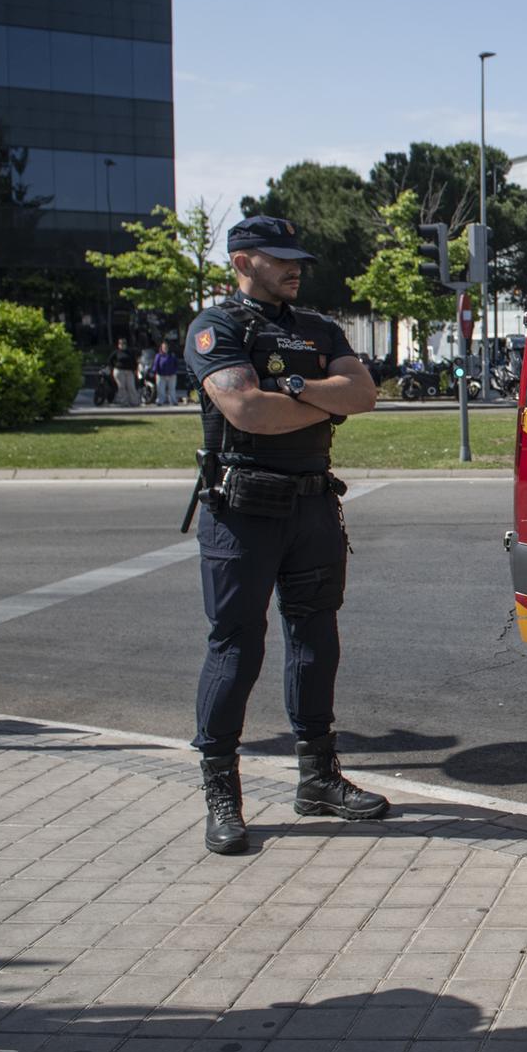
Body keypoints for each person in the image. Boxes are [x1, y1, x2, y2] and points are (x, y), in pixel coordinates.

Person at [184, 215, 387, 856]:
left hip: (311, 506)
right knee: (236, 648)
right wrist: (320, 398)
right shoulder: (216, 328)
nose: (295, 268)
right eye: (279, 259)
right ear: (243, 261)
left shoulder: (319, 328)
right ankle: (222, 792)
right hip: (242, 509)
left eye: (297, 258)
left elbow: (364, 396)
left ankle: (318, 778)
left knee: (315, 640)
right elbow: (246, 409)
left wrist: (293, 387)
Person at [110, 337, 140, 406]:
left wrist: (135, 369)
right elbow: (110, 360)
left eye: (124, 343)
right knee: (121, 386)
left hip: (129, 372)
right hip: (119, 371)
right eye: (120, 343)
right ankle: (123, 401)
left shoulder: (130, 352)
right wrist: (113, 367)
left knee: (131, 386)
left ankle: (134, 401)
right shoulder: (116, 352)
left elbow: (134, 361)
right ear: (118, 345)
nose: (122, 345)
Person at [152, 340, 181, 406]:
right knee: (160, 389)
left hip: (171, 375)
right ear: (161, 348)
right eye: (164, 347)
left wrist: (174, 371)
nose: (165, 348)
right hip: (161, 375)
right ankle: (160, 402)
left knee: (172, 389)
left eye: (166, 347)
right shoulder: (158, 355)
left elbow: (176, 364)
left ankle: (173, 401)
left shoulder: (172, 355)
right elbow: (155, 365)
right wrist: (154, 372)